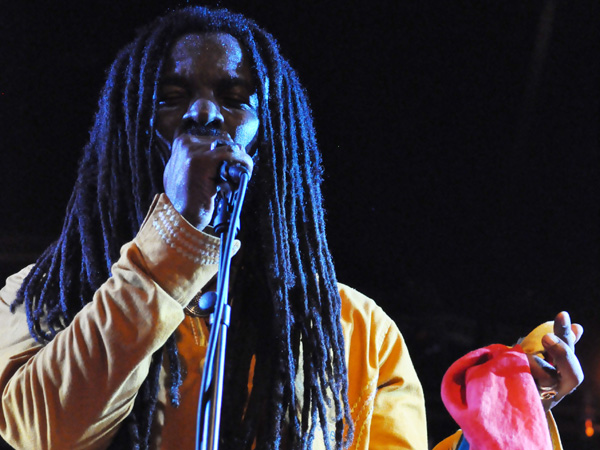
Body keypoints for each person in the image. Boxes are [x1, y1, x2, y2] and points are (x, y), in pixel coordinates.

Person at [0, 5, 582, 450]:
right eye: (171, 97)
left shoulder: (353, 331)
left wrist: (509, 413)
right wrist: (177, 237)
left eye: (235, 97)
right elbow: (39, 434)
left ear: (274, 139)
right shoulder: (43, 298)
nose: (203, 113)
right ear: (125, 131)